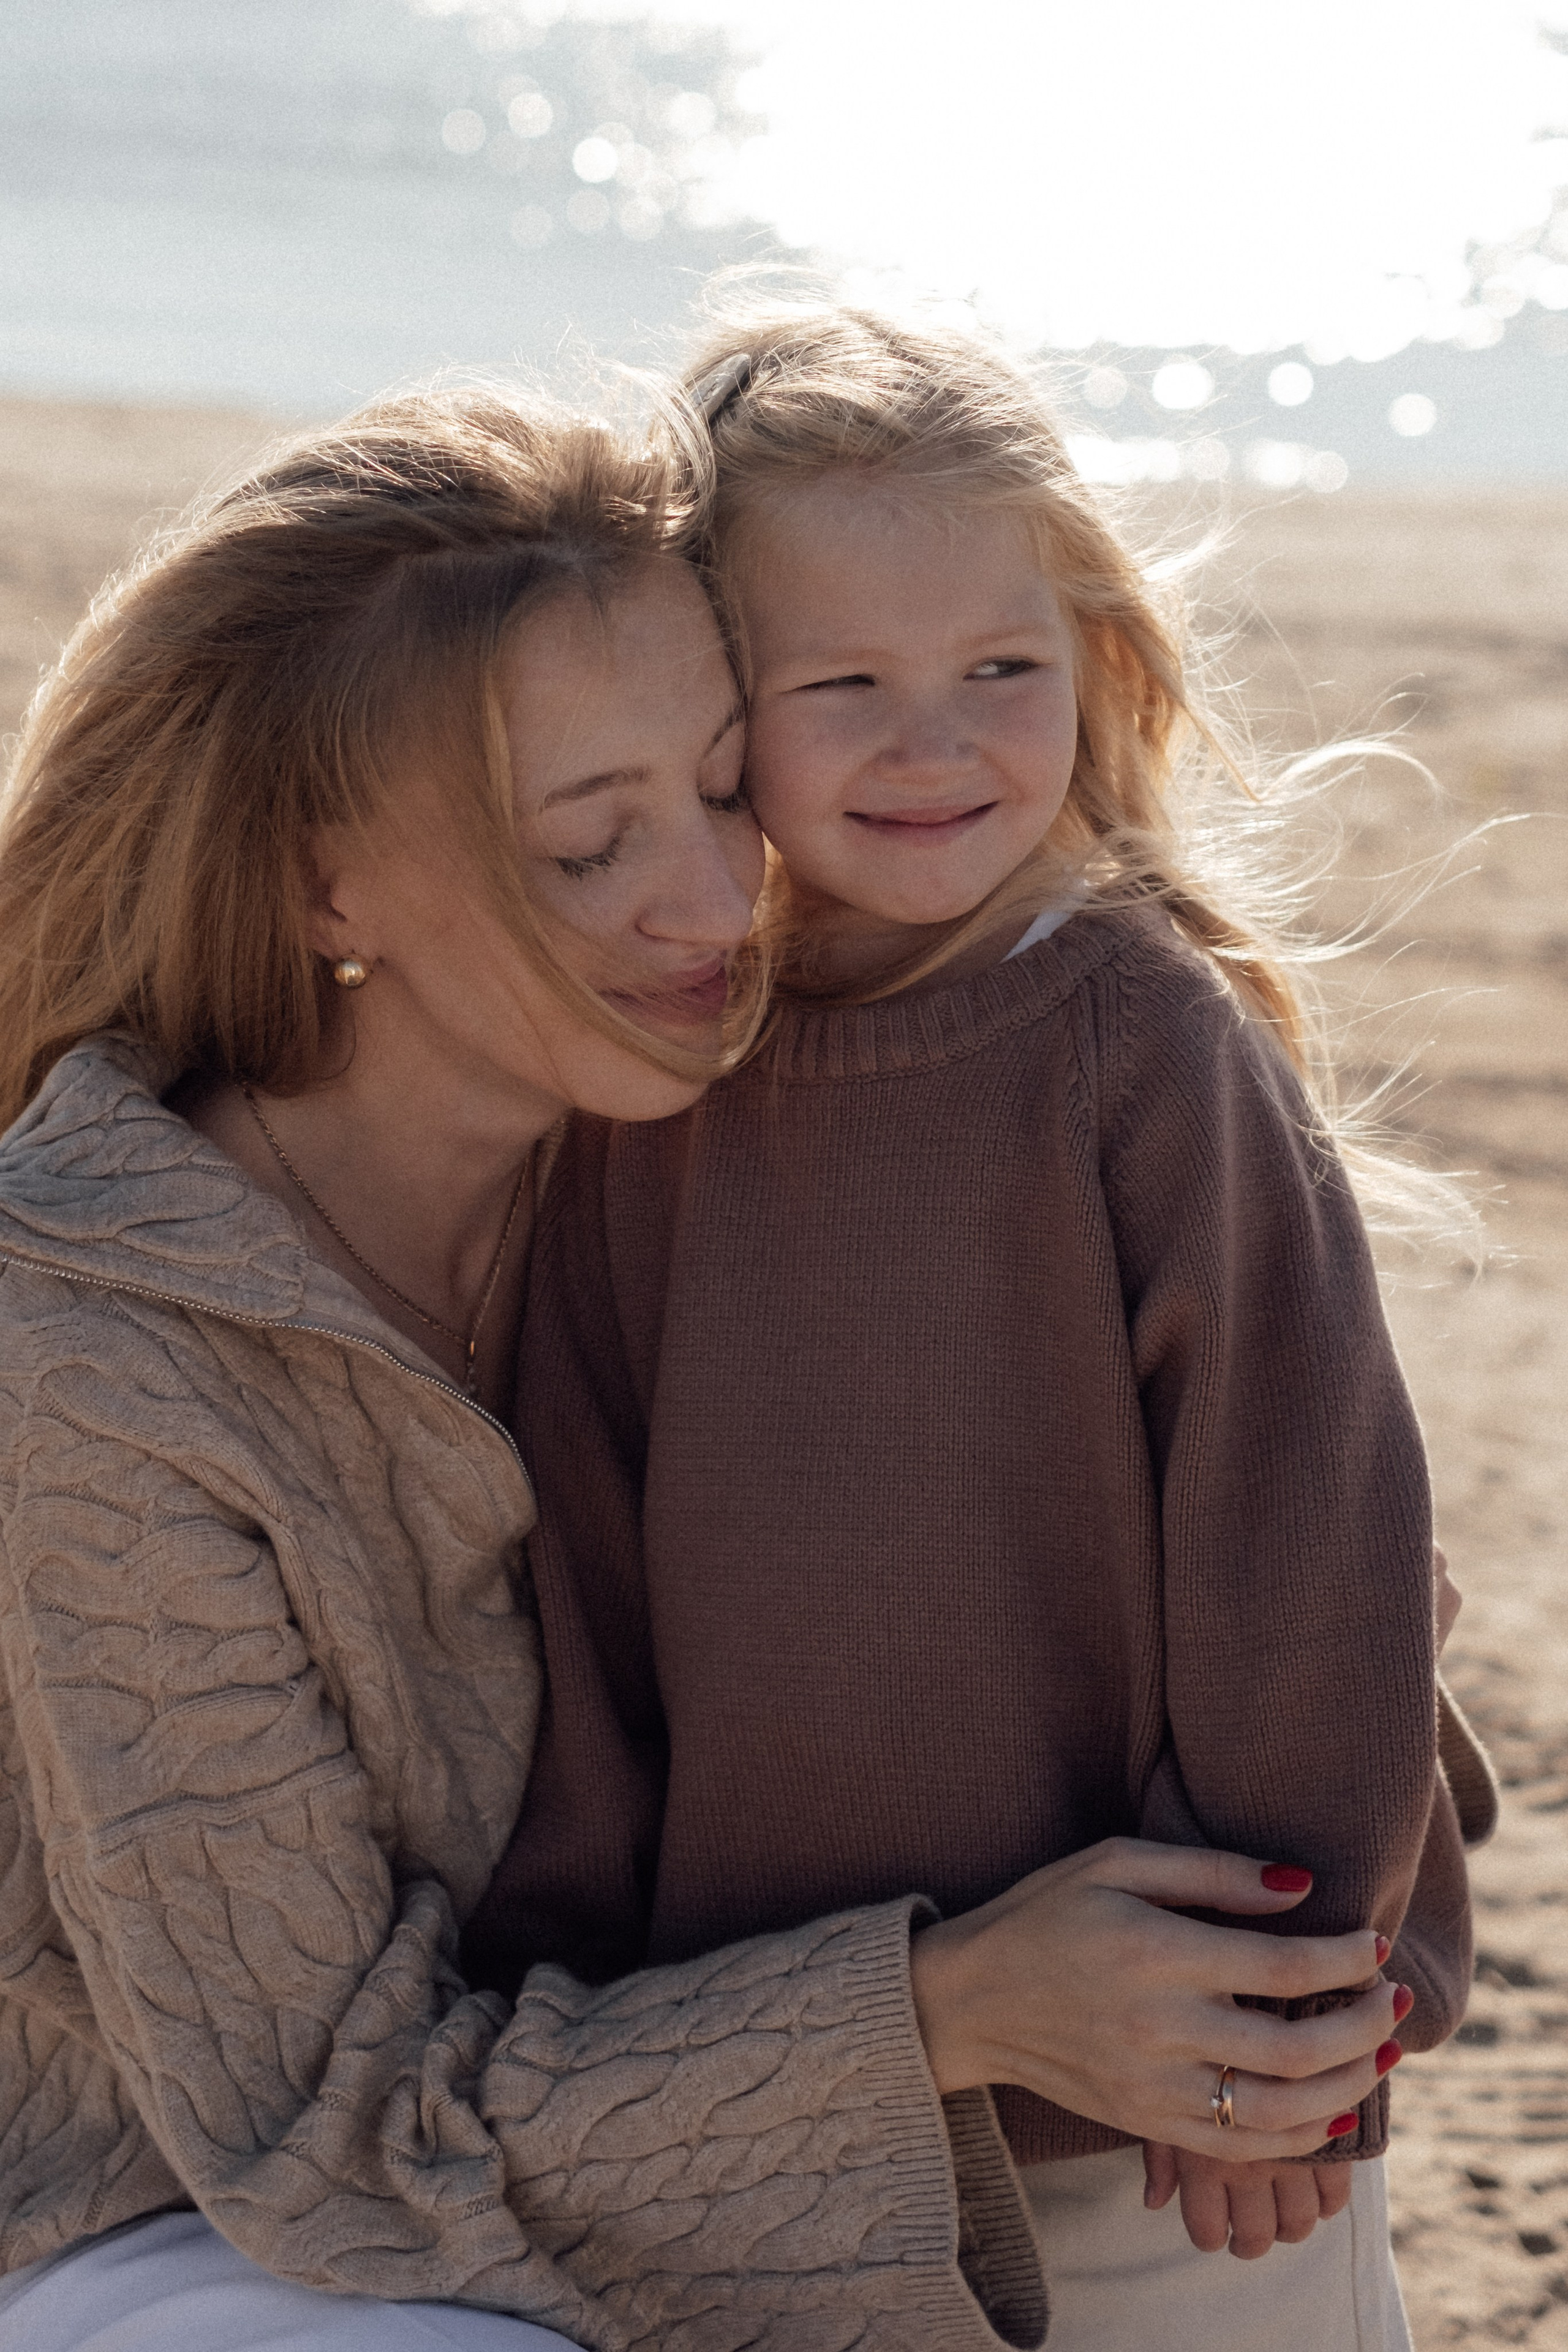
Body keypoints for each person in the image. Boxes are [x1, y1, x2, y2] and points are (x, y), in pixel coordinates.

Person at [484, 303, 1500, 2352]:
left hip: (1190, 2094)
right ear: (714, 707)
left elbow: (1312, 1545)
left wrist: (1299, 2030)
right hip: (816, 2070)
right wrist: (588, 1975)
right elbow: (573, 1554)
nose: (933, 743)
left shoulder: (1139, 1042)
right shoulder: (647, 1086)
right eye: (842, 685)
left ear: (1091, 660)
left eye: (999, 671)